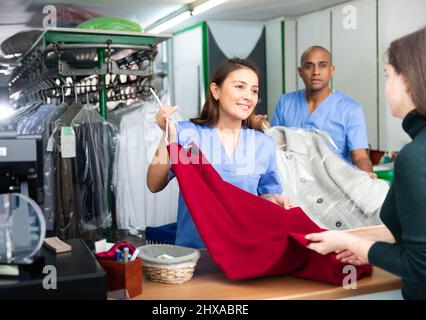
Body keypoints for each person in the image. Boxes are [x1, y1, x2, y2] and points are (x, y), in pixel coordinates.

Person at [304, 27, 426, 300]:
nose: (386, 87)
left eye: (388, 76)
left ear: (409, 81)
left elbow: (421, 266)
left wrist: (349, 241)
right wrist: (368, 246)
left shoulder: (415, 157)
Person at [147, 58, 293, 249]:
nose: (248, 96)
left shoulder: (263, 143)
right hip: (195, 251)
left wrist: (274, 199)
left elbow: (264, 195)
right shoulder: (186, 134)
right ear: (216, 91)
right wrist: (167, 135)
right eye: (240, 87)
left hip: (245, 248)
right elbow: (154, 184)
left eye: (254, 90)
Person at [252, 46, 374, 176]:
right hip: (292, 182)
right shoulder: (286, 102)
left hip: (335, 185)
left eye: (322, 66)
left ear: (331, 70)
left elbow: (360, 157)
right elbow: (274, 145)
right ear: (300, 71)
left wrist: (366, 177)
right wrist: (262, 127)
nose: (316, 72)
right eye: (309, 66)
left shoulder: (350, 109)